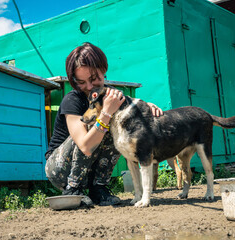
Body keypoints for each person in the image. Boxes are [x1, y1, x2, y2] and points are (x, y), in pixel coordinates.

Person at [45, 42, 163, 206]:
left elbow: (132, 111)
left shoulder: (111, 94)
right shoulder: (72, 100)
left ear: (104, 69)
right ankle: (73, 189)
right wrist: (106, 113)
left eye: (94, 78)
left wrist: (146, 107)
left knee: (120, 128)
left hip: (89, 171)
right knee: (93, 128)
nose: (89, 86)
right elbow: (85, 146)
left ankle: (98, 189)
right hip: (60, 170)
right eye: (81, 82)